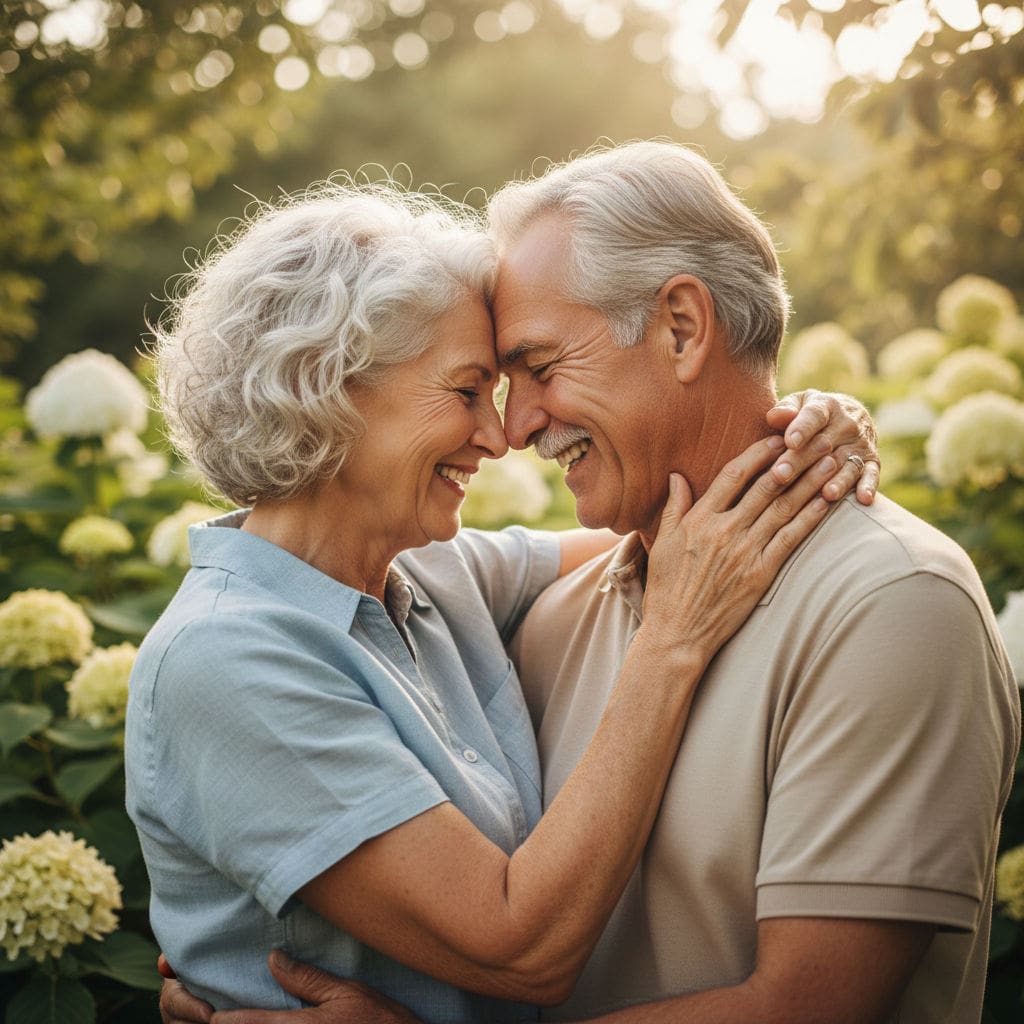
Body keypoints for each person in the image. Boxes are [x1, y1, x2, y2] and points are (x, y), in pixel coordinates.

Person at [162, 143, 1019, 1024]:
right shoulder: (547, 619)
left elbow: (813, 1009)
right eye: (475, 387)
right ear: (325, 395)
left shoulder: (892, 605)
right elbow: (506, 936)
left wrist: (805, 433)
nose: (510, 430)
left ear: (683, 328)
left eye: (534, 367)